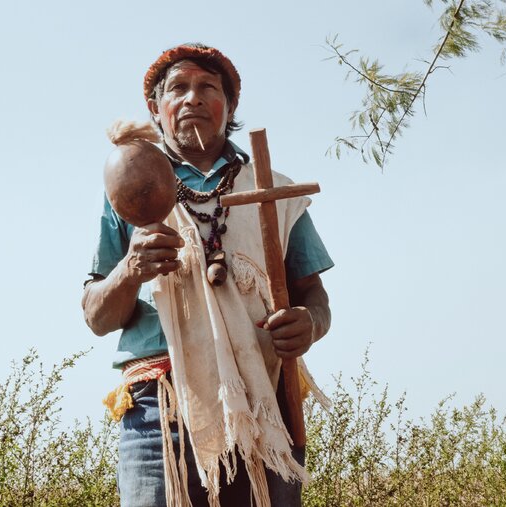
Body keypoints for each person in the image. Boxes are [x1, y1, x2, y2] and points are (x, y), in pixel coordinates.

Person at [82, 43, 334, 507]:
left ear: (230, 106)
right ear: (156, 109)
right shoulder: (128, 186)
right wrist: (130, 270)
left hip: (264, 398)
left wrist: (309, 323)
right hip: (160, 407)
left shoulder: (273, 189)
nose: (192, 98)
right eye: (177, 88)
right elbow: (97, 317)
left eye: (207, 88)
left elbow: (314, 295)